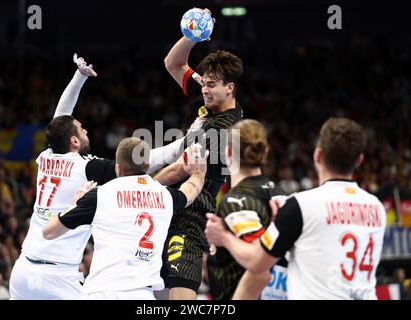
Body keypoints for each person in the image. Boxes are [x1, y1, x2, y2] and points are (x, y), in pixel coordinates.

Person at [10, 55, 187, 300]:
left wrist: (79, 77)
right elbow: (140, 161)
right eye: (81, 130)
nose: (85, 130)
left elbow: (61, 117)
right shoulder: (85, 167)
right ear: (73, 141)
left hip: (23, 268)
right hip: (59, 276)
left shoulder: (47, 156)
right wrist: (186, 142)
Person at [206, 118, 386, 300]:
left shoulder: (301, 205)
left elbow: (258, 265)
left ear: (317, 155)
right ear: (360, 160)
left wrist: (224, 237)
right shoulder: (378, 208)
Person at [43, 137, 208, 299]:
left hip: (100, 291)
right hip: (141, 294)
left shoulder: (99, 195)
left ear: (118, 168)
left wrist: (74, 204)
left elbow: (49, 232)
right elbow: (191, 191)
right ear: (148, 166)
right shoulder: (165, 196)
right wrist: (198, 172)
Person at [154, 8, 244, 300]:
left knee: (181, 296)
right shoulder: (210, 96)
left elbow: (182, 167)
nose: (203, 89)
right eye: (203, 82)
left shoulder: (224, 126)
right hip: (169, 205)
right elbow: (173, 63)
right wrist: (193, 35)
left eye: (211, 85)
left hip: (191, 215)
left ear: (230, 88)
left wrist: (144, 187)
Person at [205, 119, 287, 300]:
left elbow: (259, 264)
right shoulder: (281, 194)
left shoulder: (237, 202)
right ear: (265, 152)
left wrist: (224, 238)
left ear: (227, 153)